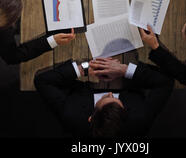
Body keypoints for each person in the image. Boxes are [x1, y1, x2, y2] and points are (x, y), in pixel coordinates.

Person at [34, 57, 173, 137]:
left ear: (91, 117)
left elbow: (42, 81)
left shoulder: (71, 115)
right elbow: (166, 82)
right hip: (126, 66)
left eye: (106, 97)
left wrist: (85, 68)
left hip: (86, 65)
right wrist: (124, 70)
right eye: (116, 99)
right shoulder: (140, 119)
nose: (111, 93)